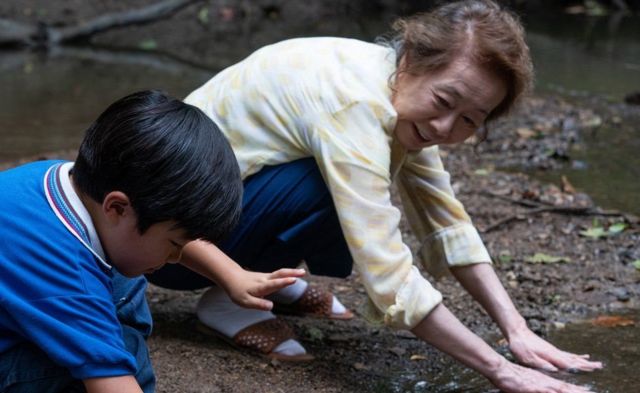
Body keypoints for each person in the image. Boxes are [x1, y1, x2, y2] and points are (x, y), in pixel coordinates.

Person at [148, 1, 603, 391]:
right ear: (411, 61)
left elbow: (446, 220)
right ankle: (229, 298)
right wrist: (501, 370)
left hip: (217, 208)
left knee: (343, 176)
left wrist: (517, 329)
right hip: (169, 245)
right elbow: (389, 275)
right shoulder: (358, 107)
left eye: (470, 120)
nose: (446, 128)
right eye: (445, 102)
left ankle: (264, 274)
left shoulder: (395, 90)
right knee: (330, 185)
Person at [0, 90, 305, 393]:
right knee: (125, 355)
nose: (175, 257)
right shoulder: (68, 276)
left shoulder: (65, 180)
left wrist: (233, 275)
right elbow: (111, 383)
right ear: (117, 207)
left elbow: (165, 227)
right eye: (174, 245)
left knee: (123, 273)